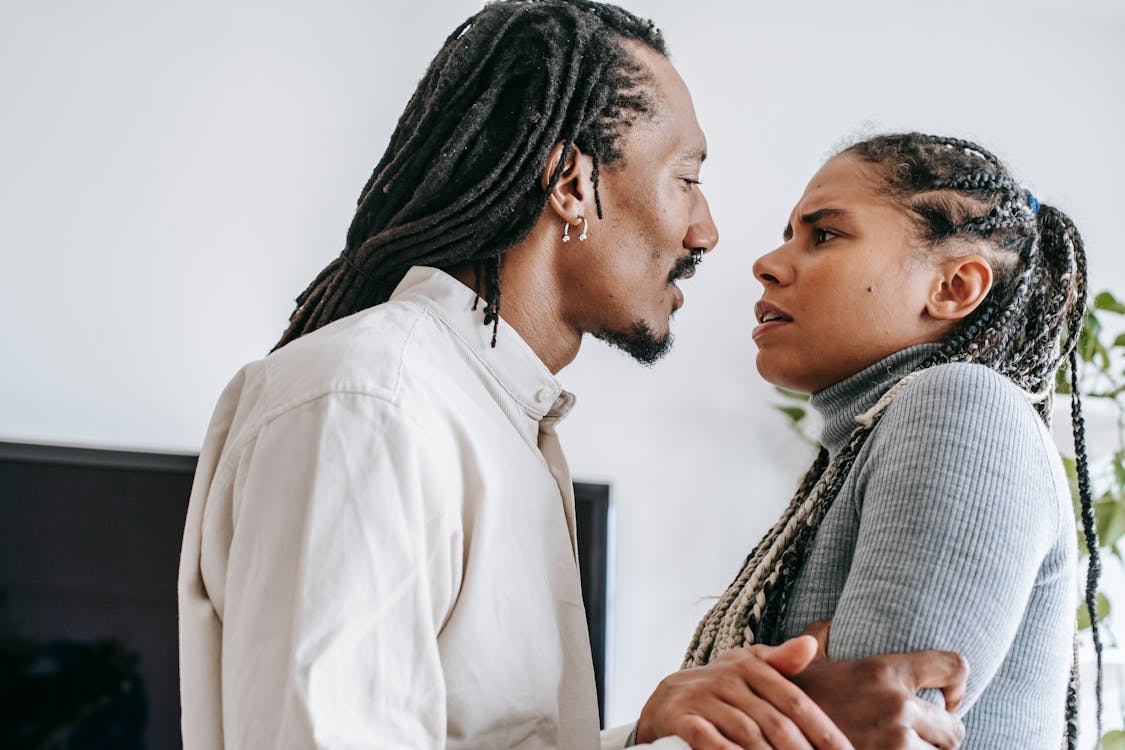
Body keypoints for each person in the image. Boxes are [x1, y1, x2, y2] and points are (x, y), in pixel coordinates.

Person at [178, 4, 969, 748]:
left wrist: (653, 730)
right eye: (686, 178)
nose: (707, 230)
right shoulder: (369, 401)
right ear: (571, 182)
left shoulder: (489, 418)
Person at [683, 133, 1105, 748]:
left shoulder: (961, 405)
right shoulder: (871, 438)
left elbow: (854, 732)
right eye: (788, 233)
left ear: (954, 288)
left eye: (823, 235)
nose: (768, 263)